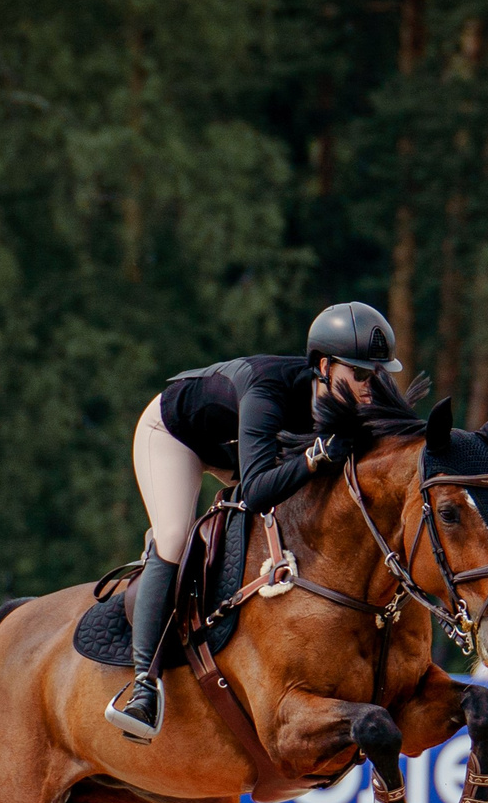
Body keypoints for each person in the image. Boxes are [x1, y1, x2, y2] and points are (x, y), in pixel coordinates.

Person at [108, 302, 403, 741]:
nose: (370, 386)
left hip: (239, 446)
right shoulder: (269, 391)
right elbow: (255, 491)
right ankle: (144, 688)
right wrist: (315, 456)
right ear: (325, 367)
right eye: (360, 374)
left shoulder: (353, 399)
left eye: (379, 374)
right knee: (174, 537)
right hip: (176, 435)